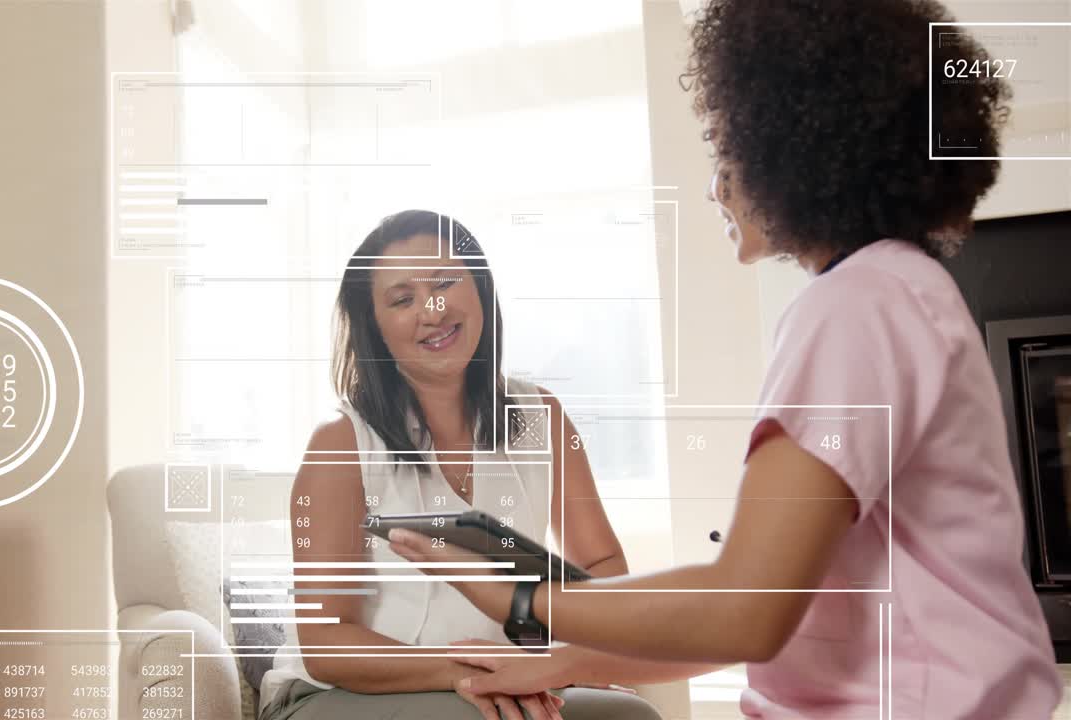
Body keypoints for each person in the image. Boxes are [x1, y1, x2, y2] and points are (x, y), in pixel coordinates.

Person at [387, 1, 1065, 718]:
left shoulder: (855, 306)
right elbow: (772, 610)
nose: (714, 185)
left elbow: (746, 606)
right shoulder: (903, 291)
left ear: (793, 144)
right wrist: (568, 660)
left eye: (720, 146)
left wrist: (518, 597)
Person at [257, 209, 662, 720]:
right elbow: (327, 644)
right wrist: (468, 673)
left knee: (626, 717)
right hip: (340, 694)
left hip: (502, 676)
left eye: (446, 281)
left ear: (480, 289)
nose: (432, 309)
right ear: (375, 328)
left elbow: (601, 570)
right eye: (402, 299)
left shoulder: (542, 418)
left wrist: (569, 661)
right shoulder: (340, 443)